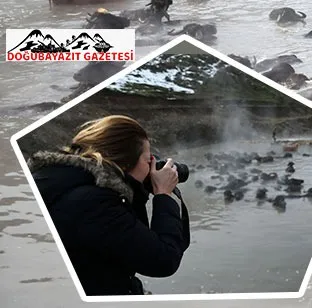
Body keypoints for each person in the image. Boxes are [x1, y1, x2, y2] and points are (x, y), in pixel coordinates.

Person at [27, 115, 190, 296]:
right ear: (125, 163)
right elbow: (164, 259)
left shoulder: (65, 180)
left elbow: (126, 242)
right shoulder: (94, 203)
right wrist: (163, 194)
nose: (151, 167)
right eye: (146, 160)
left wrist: (135, 189)